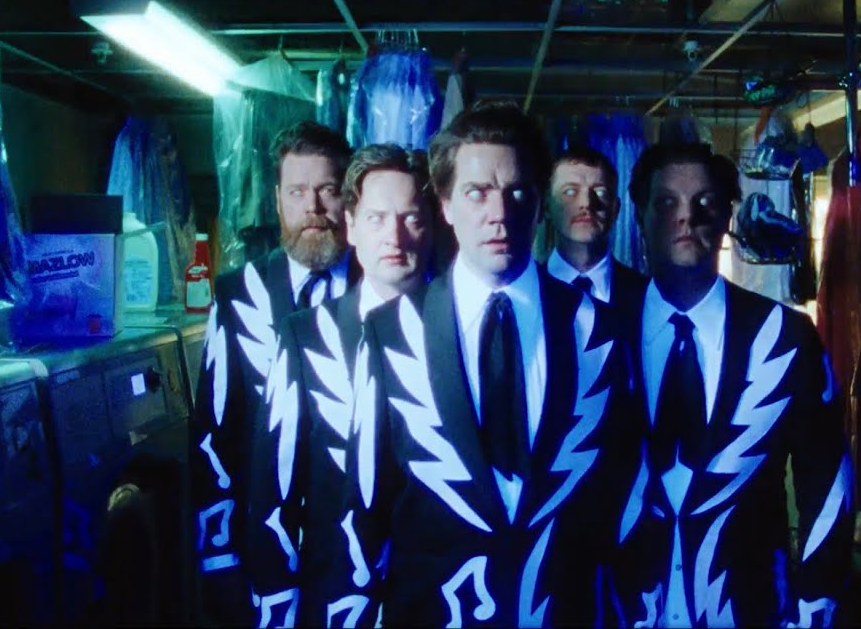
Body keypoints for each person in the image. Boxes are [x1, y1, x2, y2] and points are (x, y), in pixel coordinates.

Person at [322, 101, 641, 626]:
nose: (499, 213)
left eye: (517, 192)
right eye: (477, 192)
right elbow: (363, 509)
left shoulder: (598, 332)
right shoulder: (391, 334)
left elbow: (624, 498)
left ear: (539, 204)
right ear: (445, 204)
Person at [615, 142, 852, 629]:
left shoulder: (785, 337)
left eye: (704, 202)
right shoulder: (597, 336)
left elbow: (827, 483)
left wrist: (814, 607)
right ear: (640, 217)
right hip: (621, 608)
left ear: (727, 216)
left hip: (751, 605)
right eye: (667, 202)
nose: (687, 217)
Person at [190, 121, 357, 625]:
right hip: (263, 551)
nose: (313, 207)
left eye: (328, 190)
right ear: (278, 201)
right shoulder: (238, 295)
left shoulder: (383, 290)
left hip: (360, 558)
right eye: (297, 192)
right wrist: (217, 557)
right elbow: (214, 432)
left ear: (348, 199)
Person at [266, 144, 435, 627]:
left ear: (433, 225)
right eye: (377, 219)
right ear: (352, 226)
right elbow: (275, 488)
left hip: (434, 599)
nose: (394, 237)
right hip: (333, 597)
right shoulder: (303, 336)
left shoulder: (464, 334)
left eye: (410, 218)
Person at [543, 144, 648, 321]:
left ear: (615, 209)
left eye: (600, 192)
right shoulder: (524, 291)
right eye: (570, 191)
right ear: (547, 206)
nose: (586, 203)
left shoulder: (646, 296)